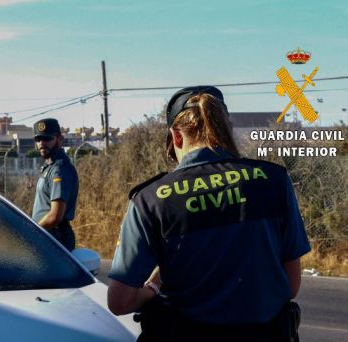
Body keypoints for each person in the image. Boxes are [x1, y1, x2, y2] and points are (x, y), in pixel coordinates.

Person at [106, 86, 310, 341]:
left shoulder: (150, 199)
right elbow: (291, 285)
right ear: (226, 130)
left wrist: (152, 288)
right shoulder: (273, 180)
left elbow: (120, 301)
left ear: (176, 137)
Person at [31, 118, 79, 251]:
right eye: (38, 139)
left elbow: (55, 216)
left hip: (54, 238)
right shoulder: (50, 166)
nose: (41, 143)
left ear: (59, 139)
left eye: (47, 138)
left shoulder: (59, 169)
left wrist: (32, 233)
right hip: (47, 236)